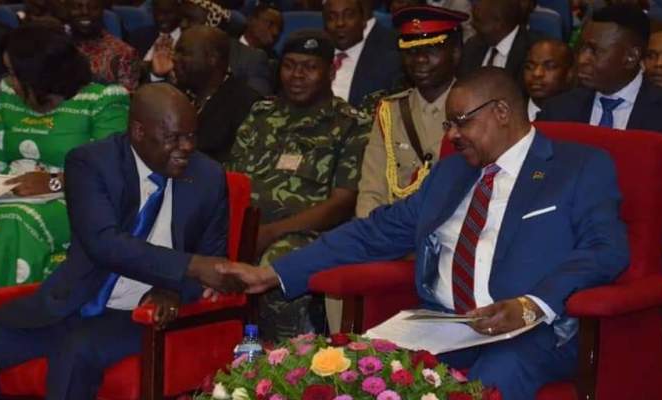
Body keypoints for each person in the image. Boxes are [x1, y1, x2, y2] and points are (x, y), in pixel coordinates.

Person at [220, 67, 629, 399]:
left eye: (461, 122)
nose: (451, 136)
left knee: (494, 376)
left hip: (529, 333)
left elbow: (606, 249)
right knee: (354, 371)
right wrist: (273, 273)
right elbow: (374, 233)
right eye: (449, 124)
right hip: (444, 326)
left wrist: (532, 304)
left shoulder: (578, 167)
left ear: (502, 111)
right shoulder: (451, 174)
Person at [0, 83, 241, 399]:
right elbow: (104, 244)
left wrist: (175, 289)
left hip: (139, 316)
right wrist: (189, 266)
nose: (187, 147)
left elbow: (213, 261)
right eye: (173, 137)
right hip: (75, 302)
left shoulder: (207, 177)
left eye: (191, 135)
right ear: (138, 131)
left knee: (74, 354)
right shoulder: (92, 163)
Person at [0, 26, 130, 326]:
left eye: (15, 73)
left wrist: (53, 182)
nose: (10, 80)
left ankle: (13, 325)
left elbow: (109, 170)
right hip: (11, 194)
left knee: (19, 223)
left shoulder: (103, 99)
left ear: (41, 73)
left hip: (74, 202)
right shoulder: (10, 94)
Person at [225, 30, 371, 341]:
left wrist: (268, 233)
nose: (297, 75)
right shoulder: (261, 114)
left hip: (309, 236)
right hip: (246, 229)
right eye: (289, 65)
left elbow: (342, 203)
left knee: (277, 265)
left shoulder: (351, 124)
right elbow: (231, 182)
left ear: (331, 71)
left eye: (310, 67)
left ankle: (286, 357)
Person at [356, 5, 465, 218]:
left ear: (455, 53)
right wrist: (369, 234)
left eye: (431, 50)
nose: (420, 59)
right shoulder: (390, 112)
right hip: (392, 228)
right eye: (411, 51)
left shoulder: (474, 111)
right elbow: (371, 190)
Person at [537, 4, 662, 135]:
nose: (582, 60)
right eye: (582, 49)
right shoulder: (557, 110)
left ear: (631, 57)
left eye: (594, 51)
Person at [173, 26, 261, 162]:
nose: (174, 58)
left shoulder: (246, 105)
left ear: (212, 58)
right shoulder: (175, 94)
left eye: (183, 53)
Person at [177, 0, 274, 95]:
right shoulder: (176, 48)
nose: (183, 24)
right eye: (181, 18)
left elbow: (255, 100)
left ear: (212, 23)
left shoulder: (249, 58)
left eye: (191, 20)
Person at [325, 0, 403, 107]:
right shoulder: (316, 56)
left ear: (363, 21)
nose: (340, 23)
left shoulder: (390, 60)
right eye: (331, 17)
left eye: (349, 16)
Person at [457, 0, 544, 87]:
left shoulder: (534, 50)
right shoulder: (472, 47)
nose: (472, 24)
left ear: (498, 23)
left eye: (478, 20)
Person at [67, 0, 141, 92]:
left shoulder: (123, 53)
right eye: (77, 7)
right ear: (66, 9)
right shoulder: (56, 47)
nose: (85, 12)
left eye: (93, 7)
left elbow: (126, 98)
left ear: (102, 11)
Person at [523, 39, 574, 121]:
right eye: (529, 67)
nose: (537, 73)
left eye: (549, 66)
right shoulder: (509, 112)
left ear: (569, 74)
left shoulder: (580, 117)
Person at [127, 0, 182, 69]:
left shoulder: (189, 40)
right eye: (158, 13)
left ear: (179, 12)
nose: (161, 18)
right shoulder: (138, 35)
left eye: (168, 13)